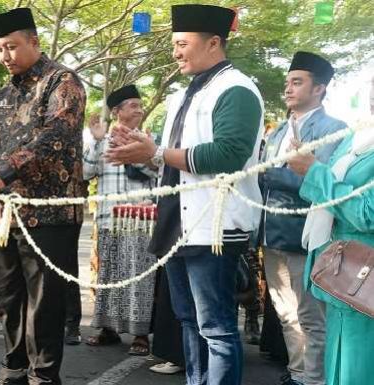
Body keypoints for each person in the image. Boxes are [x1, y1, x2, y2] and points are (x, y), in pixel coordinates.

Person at [106, 5, 264, 384]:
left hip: (214, 226)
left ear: (213, 43)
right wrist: (142, 151)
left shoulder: (236, 89)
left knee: (216, 327)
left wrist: (156, 152)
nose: (175, 52)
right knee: (188, 322)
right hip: (177, 223)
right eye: (174, 44)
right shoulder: (182, 94)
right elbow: (173, 160)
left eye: (182, 44)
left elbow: (228, 154)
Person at [0, 7, 86, 384]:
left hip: (50, 215)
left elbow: (56, 136)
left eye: (12, 47)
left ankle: (43, 374)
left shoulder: (62, 82)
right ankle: (14, 366)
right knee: (7, 295)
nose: (5, 56)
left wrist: (2, 173)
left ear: (34, 42)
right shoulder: (4, 94)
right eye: (0, 49)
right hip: (8, 215)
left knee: (45, 302)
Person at [260, 51, 346, 385]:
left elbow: (317, 184)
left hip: (305, 236)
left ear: (319, 89)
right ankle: (298, 374)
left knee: (311, 317)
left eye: (297, 82)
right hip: (271, 233)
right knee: (285, 314)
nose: (288, 89)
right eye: (288, 83)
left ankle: (314, 380)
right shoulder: (279, 130)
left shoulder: (333, 130)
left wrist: (272, 175)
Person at [287, 122, 374, 385]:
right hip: (340, 273)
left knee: (355, 370)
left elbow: (367, 214)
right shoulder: (357, 136)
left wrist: (314, 172)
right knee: (338, 366)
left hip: (364, 280)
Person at [83, 85, 157, 356]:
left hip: (139, 220)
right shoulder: (99, 141)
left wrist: (137, 151)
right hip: (107, 219)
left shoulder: (149, 139)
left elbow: (157, 172)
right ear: (116, 112)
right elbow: (84, 173)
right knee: (108, 275)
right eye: (133, 105)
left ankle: (140, 335)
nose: (139, 109)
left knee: (140, 277)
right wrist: (96, 141)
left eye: (140, 105)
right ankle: (108, 330)